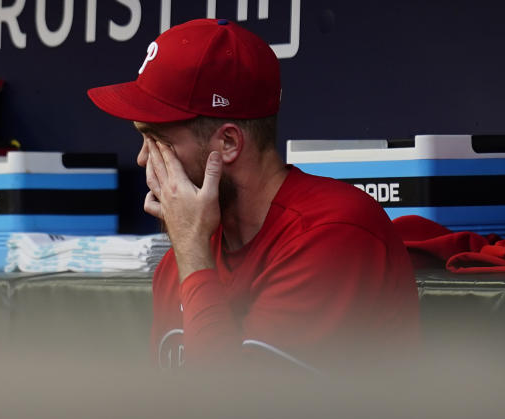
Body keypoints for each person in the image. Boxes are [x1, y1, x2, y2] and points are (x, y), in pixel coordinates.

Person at [87, 18, 419, 372]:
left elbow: (238, 413)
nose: (141, 159)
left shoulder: (334, 233)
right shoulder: (182, 258)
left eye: (157, 140)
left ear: (228, 143)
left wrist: (193, 253)